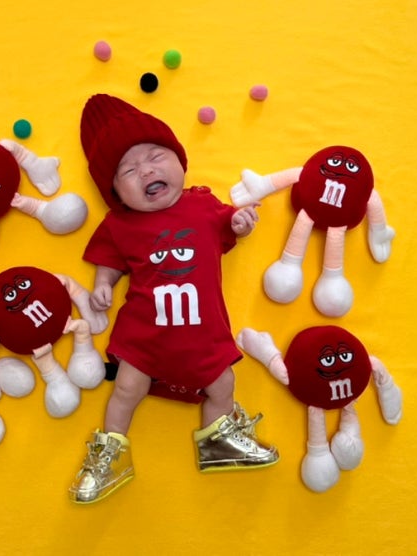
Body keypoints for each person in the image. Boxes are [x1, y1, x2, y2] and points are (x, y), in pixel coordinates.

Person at [69, 94, 277, 504]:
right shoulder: (120, 223)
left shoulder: (203, 204)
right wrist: (103, 283)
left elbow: (229, 226)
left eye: (156, 157)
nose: (146, 169)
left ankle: (219, 442)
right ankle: (109, 454)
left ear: (181, 162)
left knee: (223, 383)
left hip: (203, 334)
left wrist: (241, 222)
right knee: (127, 387)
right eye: (129, 170)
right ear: (116, 192)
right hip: (144, 336)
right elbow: (109, 259)